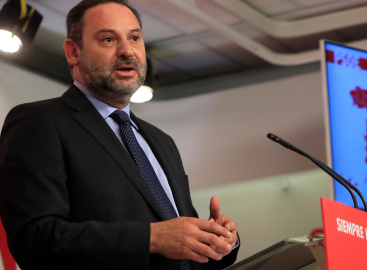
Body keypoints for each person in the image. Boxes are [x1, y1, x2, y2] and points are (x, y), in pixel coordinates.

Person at [0, 0, 239, 269]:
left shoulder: (162, 141)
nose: (127, 50)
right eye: (108, 39)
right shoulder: (39, 123)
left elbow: (181, 244)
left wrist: (217, 239)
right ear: (73, 52)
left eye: (135, 37)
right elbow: (35, 240)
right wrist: (151, 238)